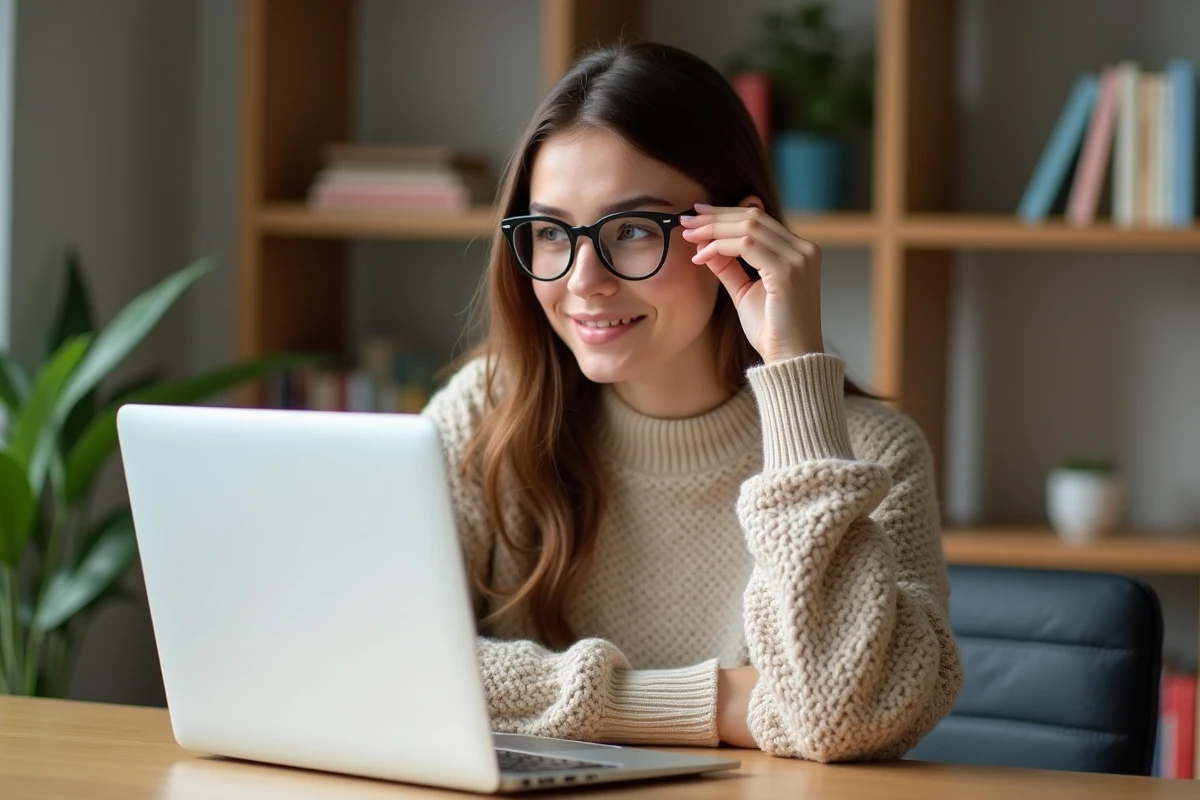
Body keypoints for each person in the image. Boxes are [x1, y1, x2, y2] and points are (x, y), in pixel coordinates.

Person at [422, 40, 962, 761]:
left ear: (739, 234)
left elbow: (846, 715)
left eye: (632, 230)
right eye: (551, 232)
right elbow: (379, 656)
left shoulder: (869, 455)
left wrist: (794, 369)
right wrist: (718, 702)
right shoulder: (483, 416)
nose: (582, 280)